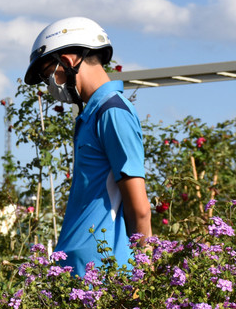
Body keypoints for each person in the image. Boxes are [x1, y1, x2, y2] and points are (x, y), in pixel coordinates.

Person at [24, 17, 151, 276]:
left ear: (69, 61)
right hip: (78, 272)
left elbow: (139, 209)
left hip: (104, 277)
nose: (49, 84)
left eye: (48, 72)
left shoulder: (113, 113)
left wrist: (144, 277)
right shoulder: (92, 115)